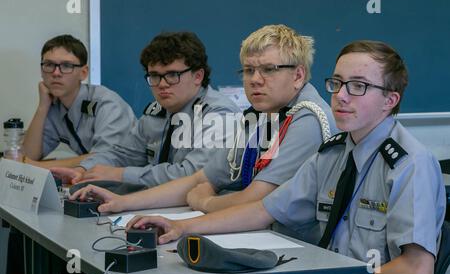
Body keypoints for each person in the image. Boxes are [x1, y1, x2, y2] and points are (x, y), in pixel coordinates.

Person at [123, 40, 446, 274]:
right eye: (336, 83)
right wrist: (181, 226)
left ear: (390, 100)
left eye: (358, 86)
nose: (341, 96)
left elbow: (415, 272)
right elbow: (264, 210)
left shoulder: (410, 164)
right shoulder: (334, 154)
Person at [71, 24, 336, 215]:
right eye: (248, 70)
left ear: (299, 76)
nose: (255, 79)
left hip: (299, 249)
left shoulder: (307, 118)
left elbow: (257, 198)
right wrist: (121, 202)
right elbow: (201, 179)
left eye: (268, 69)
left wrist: (205, 203)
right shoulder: (261, 117)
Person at [52, 31, 240, 187]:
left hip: (202, 213)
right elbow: (123, 154)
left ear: (198, 76)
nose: (162, 84)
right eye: (155, 76)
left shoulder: (218, 114)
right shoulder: (157, 111)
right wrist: (83, 170)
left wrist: (120, 175)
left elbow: (192, 175)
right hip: (158, 206)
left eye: (173, 75)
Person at [22, 34, 137, 169]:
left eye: (66, 66)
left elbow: (104, 159)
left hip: (133, 184)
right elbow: (28, 155)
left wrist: (37, 166)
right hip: (97, 181)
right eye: (49, 65)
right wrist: (42, 107)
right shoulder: (55, 106)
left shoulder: (107, 104)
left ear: (83, 72)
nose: (56, 73)